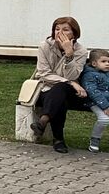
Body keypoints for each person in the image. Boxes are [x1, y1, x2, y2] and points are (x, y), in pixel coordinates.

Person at [31, 16, 89, 153]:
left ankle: (43, 121)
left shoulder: (81, 51)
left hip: (70, 92)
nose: (60, 33)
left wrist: (69, 55)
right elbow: (44, 73)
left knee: (61, 90)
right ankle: (58, 140)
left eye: (65, 30)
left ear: (74, 34)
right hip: (46, 89)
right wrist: (69, 82)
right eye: (57, 29)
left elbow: (72, 76)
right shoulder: (45, 46)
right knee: (59, 96)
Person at [79, 48, 109, 153]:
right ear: (94, 63)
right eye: (103, 61)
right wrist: (105, 106)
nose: (107, 64)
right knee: (104, 119)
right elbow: (93, 92)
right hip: (95, 102)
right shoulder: (89, 75)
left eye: (108, 61)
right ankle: (94, 142)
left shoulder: (107, 73)